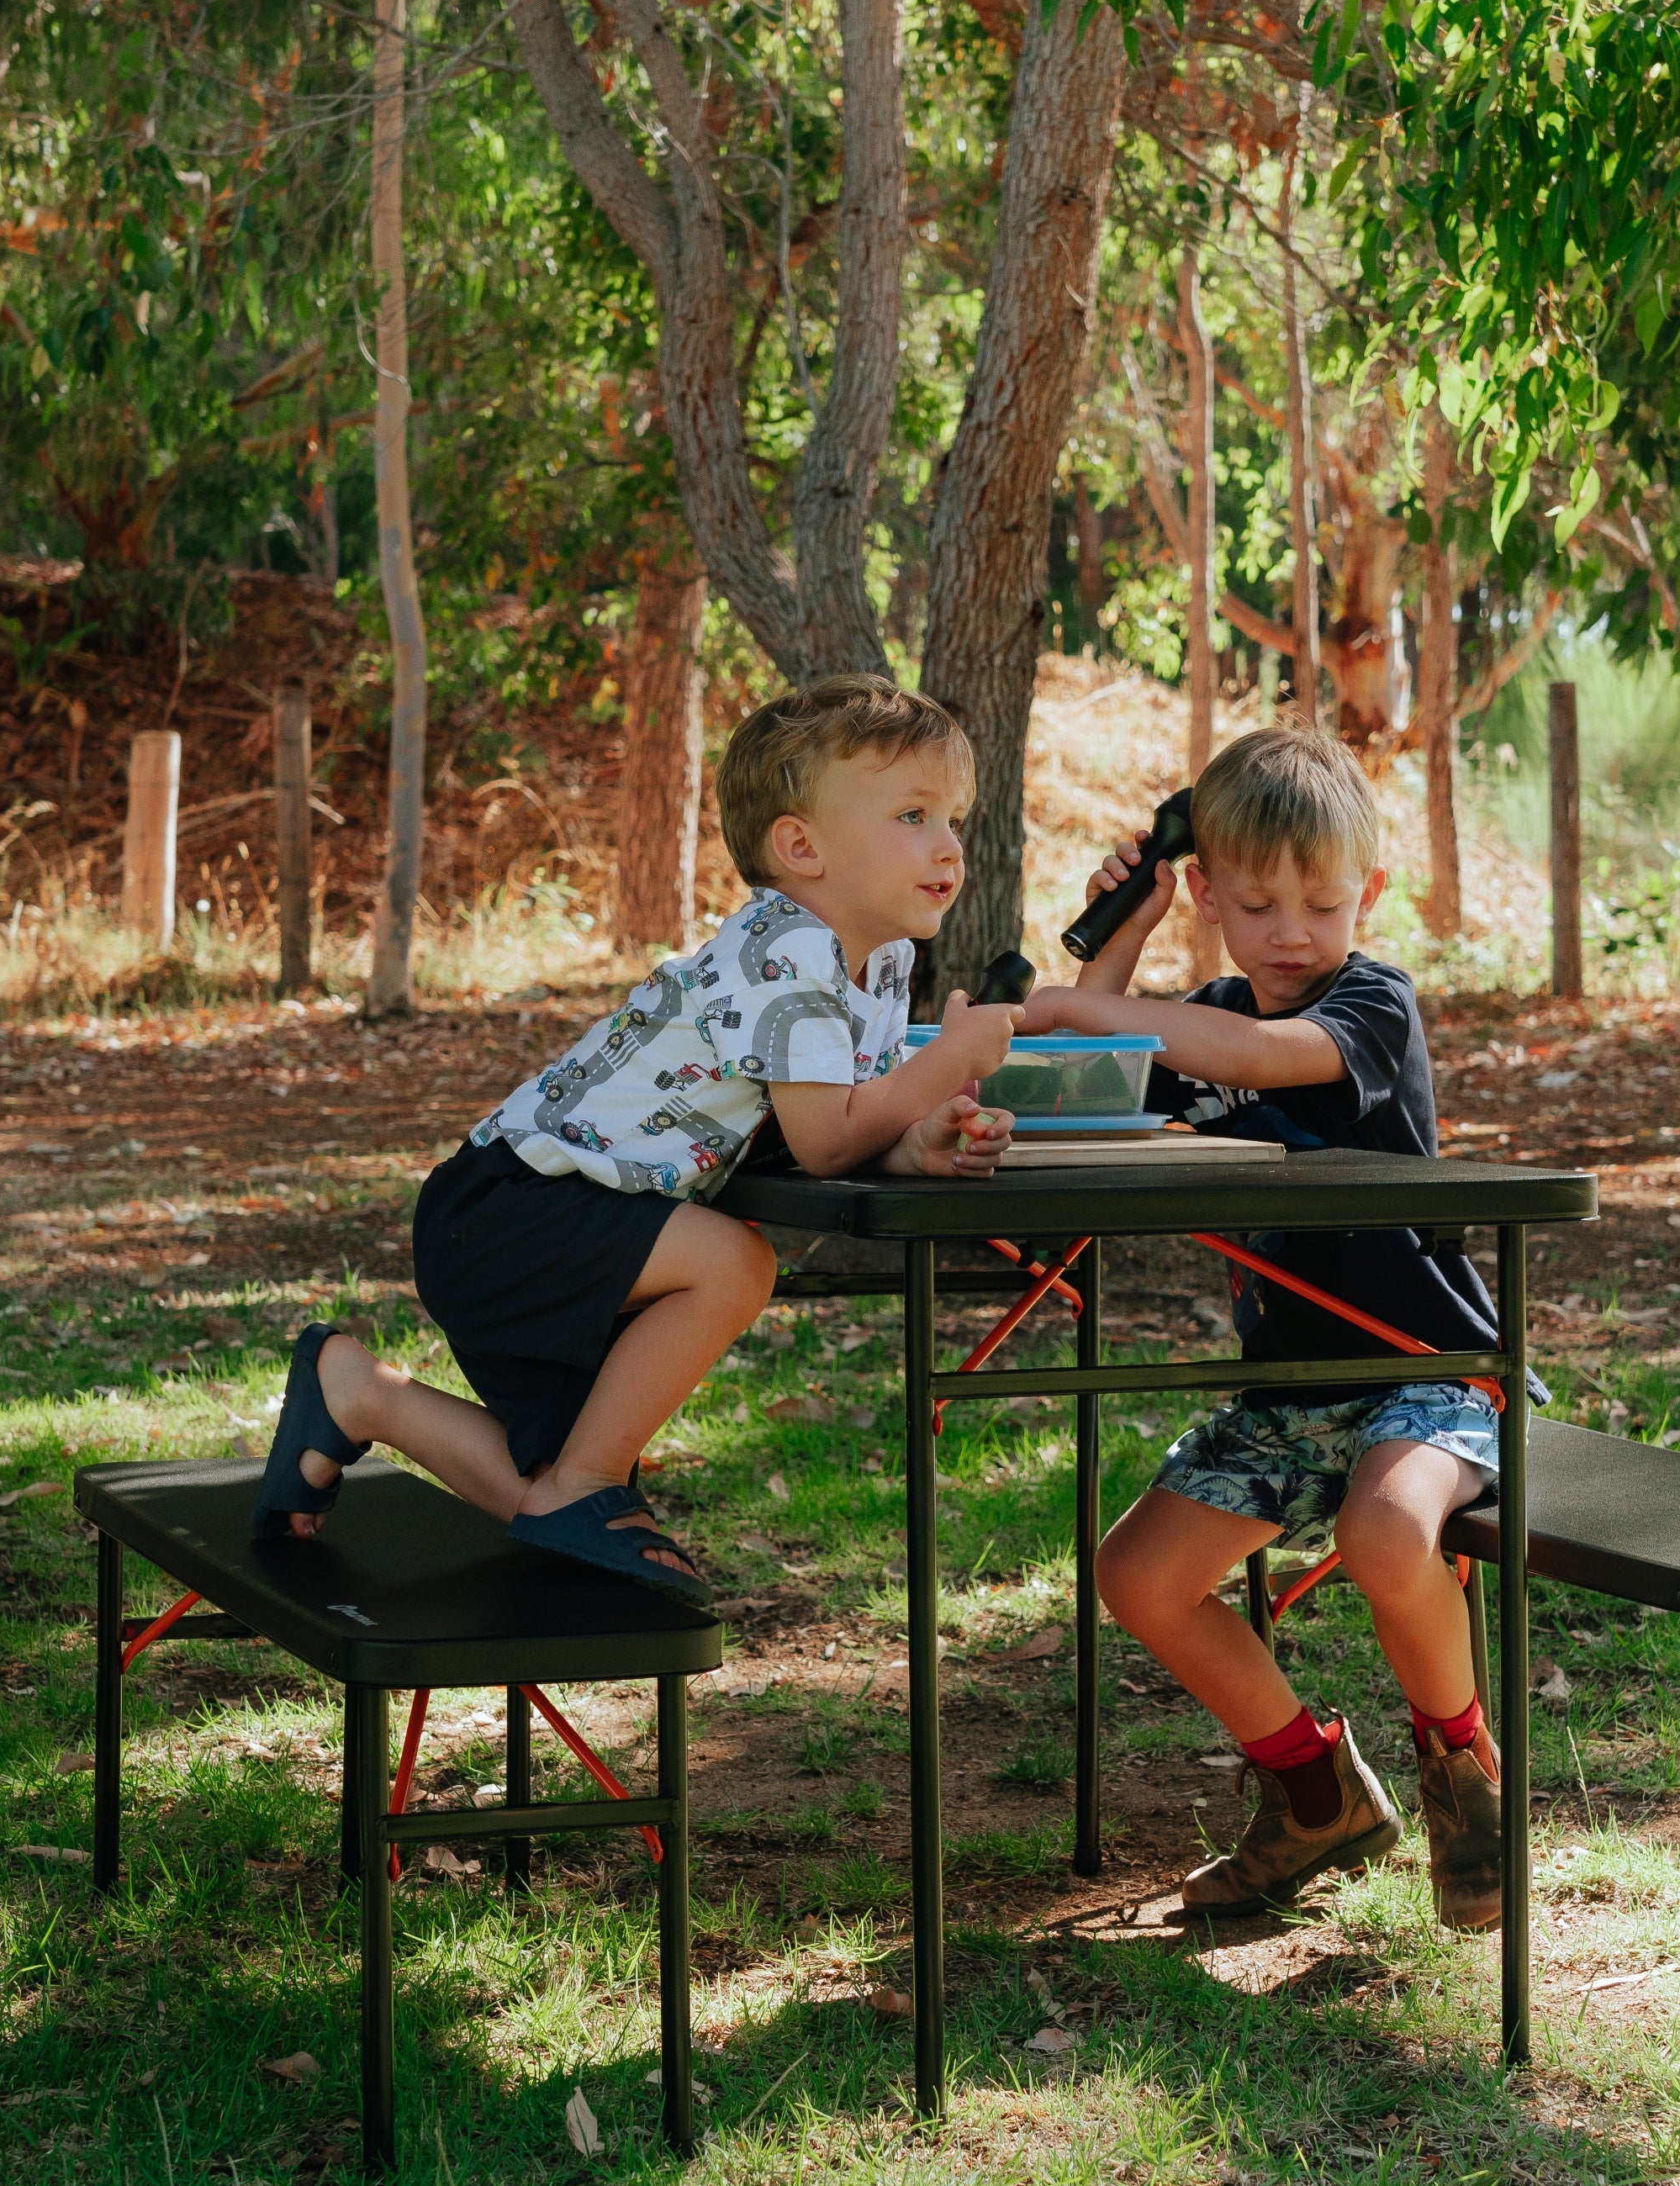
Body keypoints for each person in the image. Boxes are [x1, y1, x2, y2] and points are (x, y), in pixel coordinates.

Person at [246, 677, 1014, 1613]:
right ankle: (584, 1481)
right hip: (515, 1206)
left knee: (540, 1491)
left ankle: (358, 1390)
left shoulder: (875, 959)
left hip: (548, 1208)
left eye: (954, 818)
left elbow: (833, 1123)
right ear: (799, 845)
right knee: (734, 1264)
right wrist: (947, 1063)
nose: (947, 845)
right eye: (912, 813)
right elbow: (824, 1142)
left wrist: (918, 1145)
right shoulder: (786, 948)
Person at [1011, 723, 1513, 1929]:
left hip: (1426, 1377)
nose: (1292, 932)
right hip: (1291, 1390)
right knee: (1138, 1577)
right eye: (1257, 902)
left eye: (1322, 903)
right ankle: (1312, 1794)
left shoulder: (1368, 1005)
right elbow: (1064, 1067)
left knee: (1387, 1539)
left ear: (1369, 898)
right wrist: (1121, 937)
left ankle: (1464, 1776)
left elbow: (1253, 1054)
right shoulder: (1205, 1010)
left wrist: (1104, 1016)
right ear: (1208, 897)